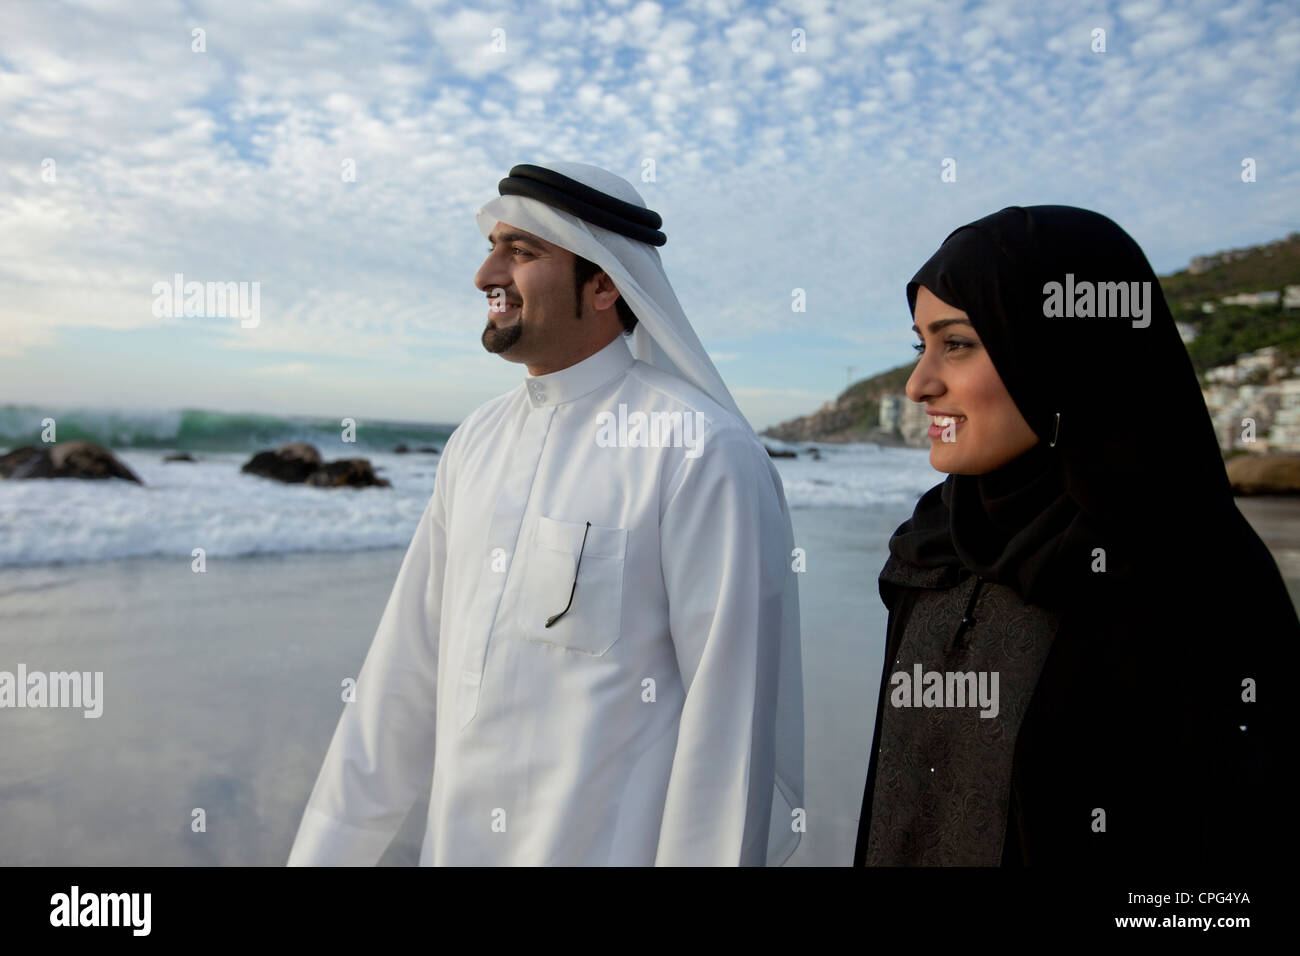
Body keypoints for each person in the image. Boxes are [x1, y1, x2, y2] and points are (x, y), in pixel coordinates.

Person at [288, 162, 803, 866]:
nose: (484, 274)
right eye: (493, 245)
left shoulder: (700, 452)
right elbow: (400, 684)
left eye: (521, 252)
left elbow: (729, 736)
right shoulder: (474, 442)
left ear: (603, 283)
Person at [854, 205, 1292, 866]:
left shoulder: (1192, 581)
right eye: (921, 345)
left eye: (958, 342)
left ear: (1059, 351)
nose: (920, 384)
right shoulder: (931, 551)